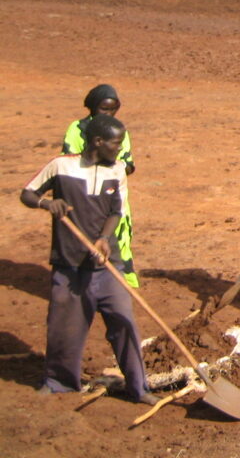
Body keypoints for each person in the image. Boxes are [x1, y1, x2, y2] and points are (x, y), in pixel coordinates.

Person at [21, 114, 158, 404]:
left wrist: (105, 240)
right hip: (69, 264)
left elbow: (115, 212)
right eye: (115, 142)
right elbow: (27, 193)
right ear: (97, 142)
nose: (120, 148)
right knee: (64, 328)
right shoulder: (61, 166)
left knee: (124, 323)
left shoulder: (117, 170)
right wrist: (48, 203)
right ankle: (59, 382)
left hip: (108, 265)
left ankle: (139, 387)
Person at [61, 84, 139, 288]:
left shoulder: (119, 131)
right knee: (84, 240)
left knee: (119, 238)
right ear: (93, 106)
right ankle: (84, 286)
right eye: (104, 108)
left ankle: (120, 285)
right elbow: (68, 161)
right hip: (83, 196)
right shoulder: (77, 130)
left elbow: (128, 165)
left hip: (112, 194)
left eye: (113, 108)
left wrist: (109, 170)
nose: (109, 113)